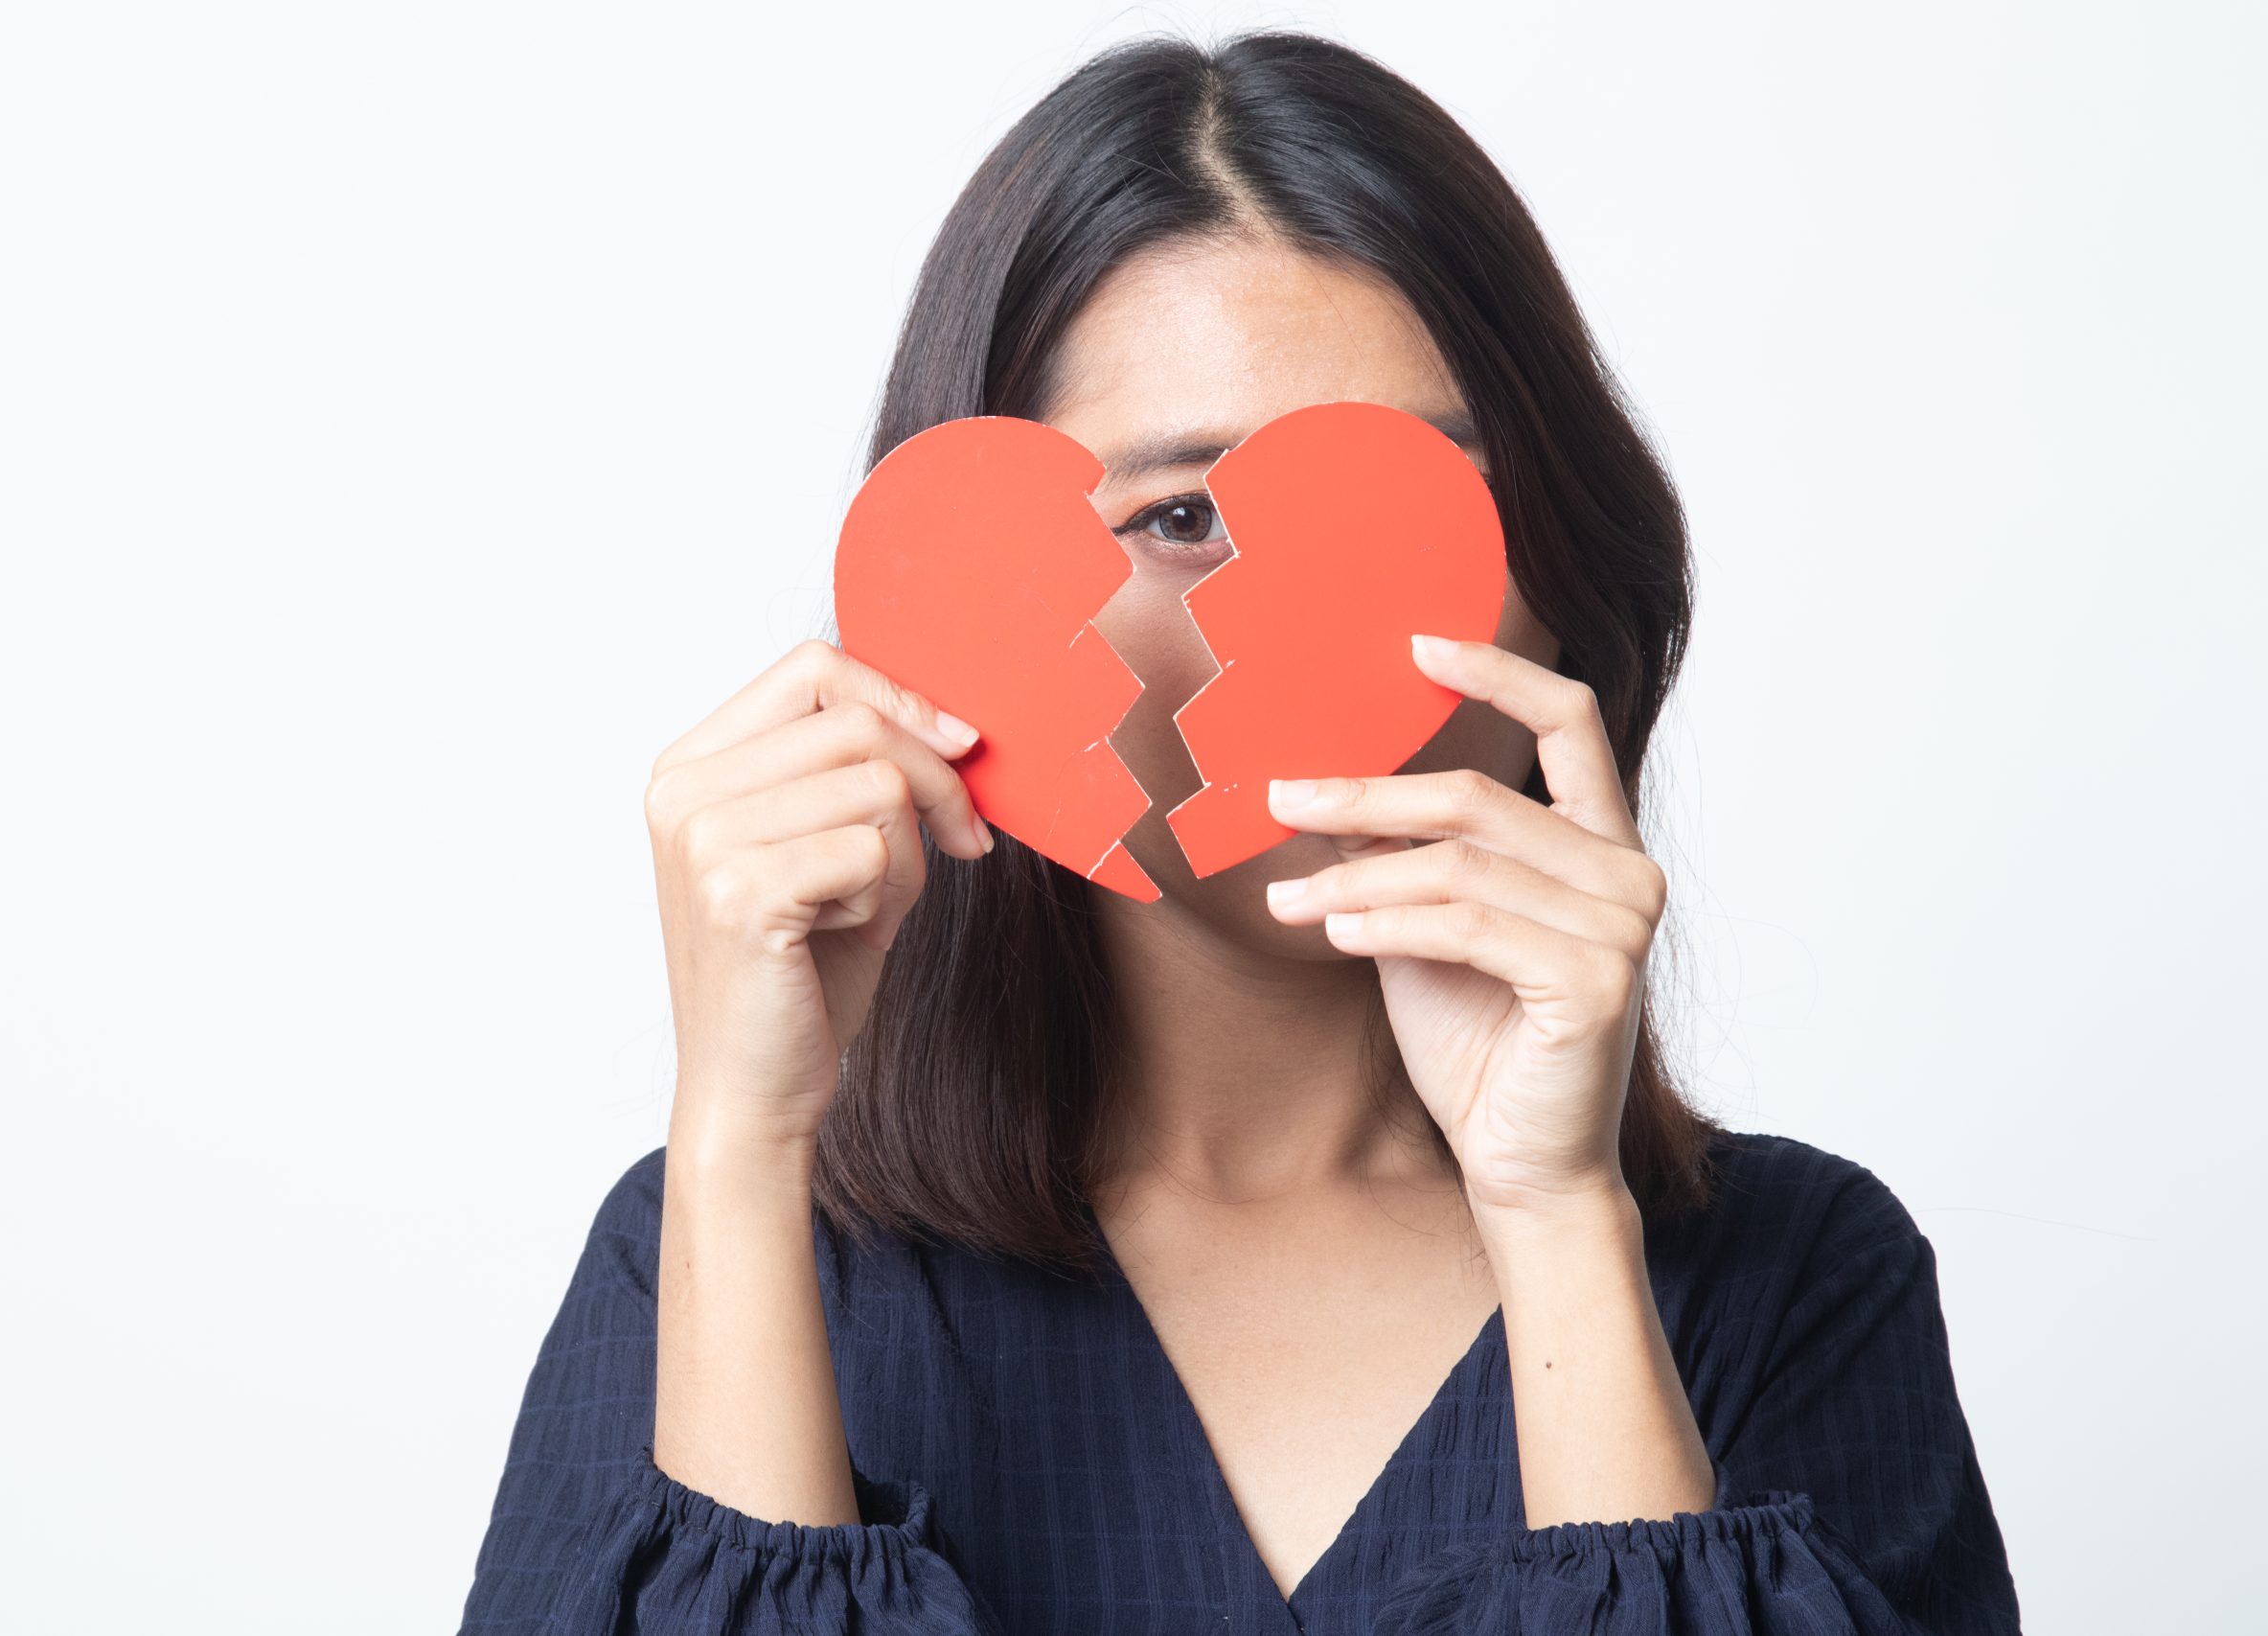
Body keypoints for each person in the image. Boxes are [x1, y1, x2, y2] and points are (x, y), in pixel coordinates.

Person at [454, 29, 2021, 1636]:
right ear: (969, 609)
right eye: (1182, 519)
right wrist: (742, 1138)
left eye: (1413, 504)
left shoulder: (1806, 1280)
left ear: (1561, 586)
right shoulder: (711, 1255)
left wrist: (1558, 1222)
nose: (1319, 641)